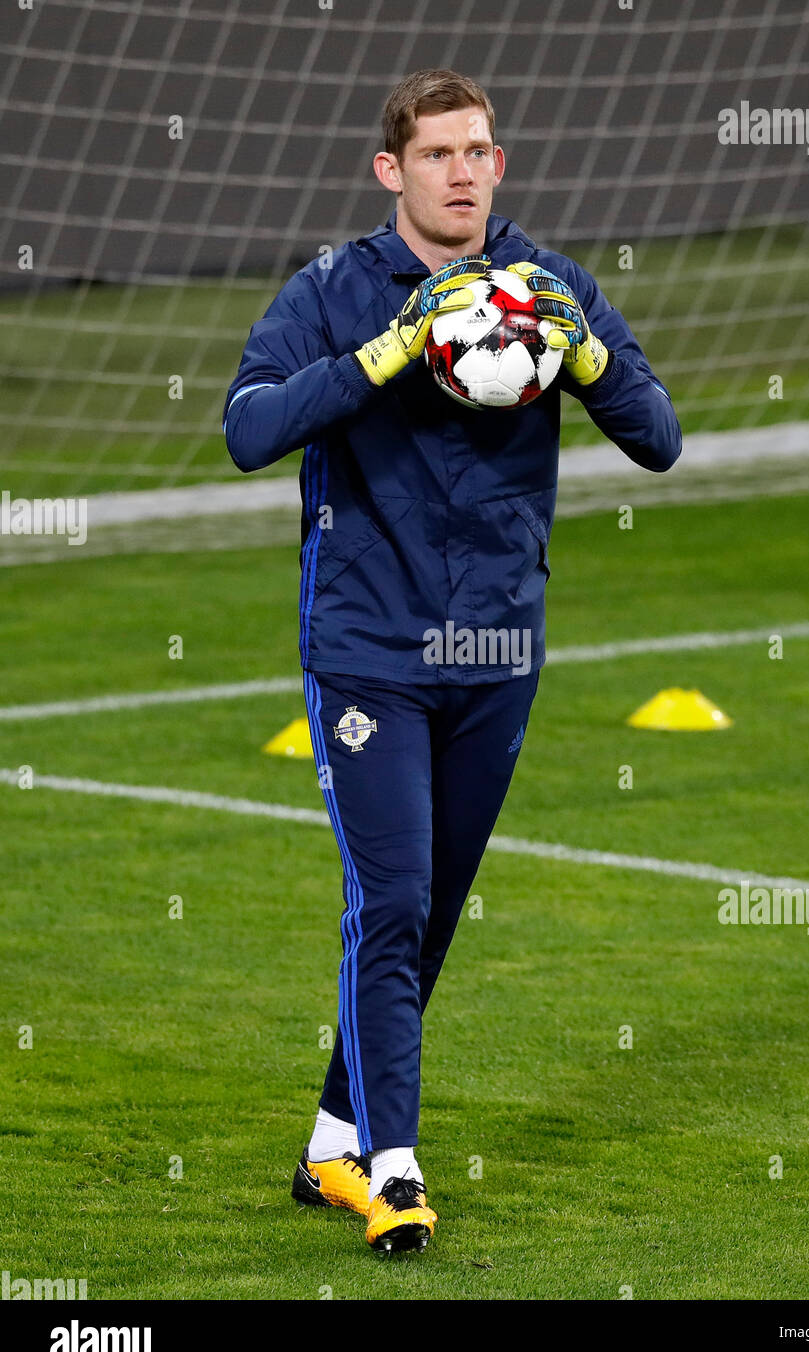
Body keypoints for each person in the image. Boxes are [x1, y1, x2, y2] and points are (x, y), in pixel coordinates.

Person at [223, 67, 681, 1255]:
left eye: (480, 150)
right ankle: (398, 1171)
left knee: (429, 916)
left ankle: (331, 1144)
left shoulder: (546, 289)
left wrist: (584, 360)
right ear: (392, 172)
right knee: (392, 900)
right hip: (367, 653)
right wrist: (388, 355)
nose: (464, 172)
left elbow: (660, 439)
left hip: (495, 654)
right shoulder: (333, 290)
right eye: (438, 154)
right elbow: (248, 430)